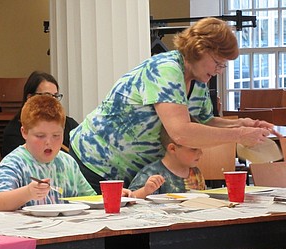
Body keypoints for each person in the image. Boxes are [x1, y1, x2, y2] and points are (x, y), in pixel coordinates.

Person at [69, 17, 279, 194]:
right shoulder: (165, 69)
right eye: (218, 62)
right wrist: (240, 134)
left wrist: (244, 125)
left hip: (135, 173)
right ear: (200, 49)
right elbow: (181, 133)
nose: (220, 70)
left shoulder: (198, 81)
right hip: (96, 162)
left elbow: (205, 122)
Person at [0, 94, 96, 211]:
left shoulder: (68, 163)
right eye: (40, 136)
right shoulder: (14, 163)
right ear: (24, 132)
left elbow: (90, 198)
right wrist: (27, 193)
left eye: (56, 135)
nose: (48, 142)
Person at [1, 71, 79, 158]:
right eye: (47, 95)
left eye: (55, 96)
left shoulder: (69, 124)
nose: (52, 101)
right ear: (30, 98)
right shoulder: (13, 132)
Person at [128, 126, 206, 199]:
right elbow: (129, 198)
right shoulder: (150, 173)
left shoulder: (196, 172)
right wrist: (145, 191)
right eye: (194, 149)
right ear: (172, 149)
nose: (201, 153)